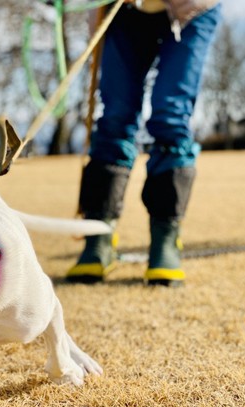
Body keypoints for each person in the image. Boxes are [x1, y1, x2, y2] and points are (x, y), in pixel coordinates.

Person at [67, 0, 222, 287]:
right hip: (124, 12)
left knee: (171, 114)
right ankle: (99, 236)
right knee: (115, 116)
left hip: (193, 8)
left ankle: (166, 238)